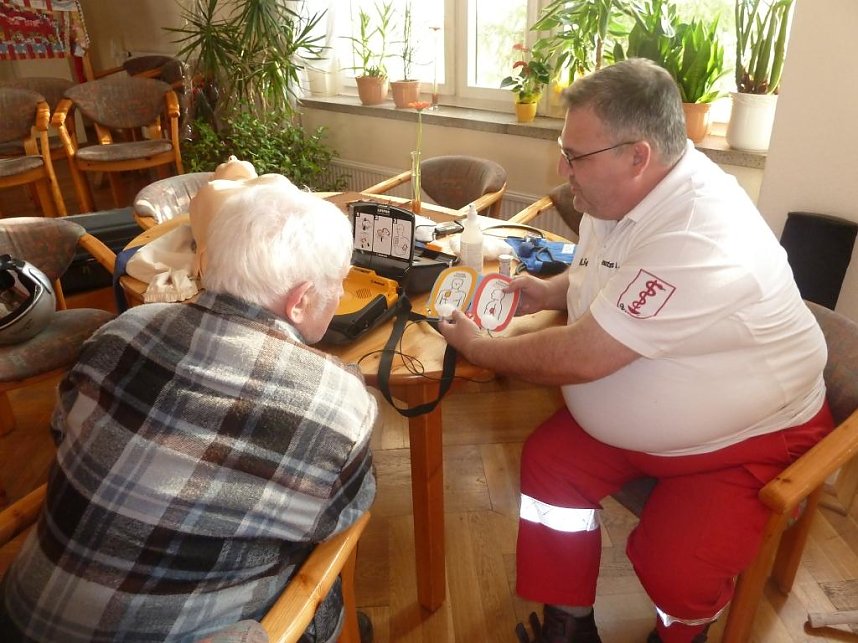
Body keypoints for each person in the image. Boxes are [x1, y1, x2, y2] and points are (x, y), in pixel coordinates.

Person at [439, 58, 833, 643]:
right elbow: (603, 272)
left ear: (638, 155)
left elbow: (584, 357)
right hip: (648, 418)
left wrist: (482, 349)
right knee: (549, 469)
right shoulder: (616, 193)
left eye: (575, 154)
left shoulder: (700, 230)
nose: (561, 166)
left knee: (675, 562)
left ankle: (680, 635)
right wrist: (547, 290)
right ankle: (569, 626)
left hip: (746, 439)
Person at [0, 177, 377, 643]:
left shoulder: (122, 330)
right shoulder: (335, 401)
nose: (339, 295)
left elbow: (63, 429)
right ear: (299, 302)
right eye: (338, 283)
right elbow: (344, 512)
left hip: (20, 616)